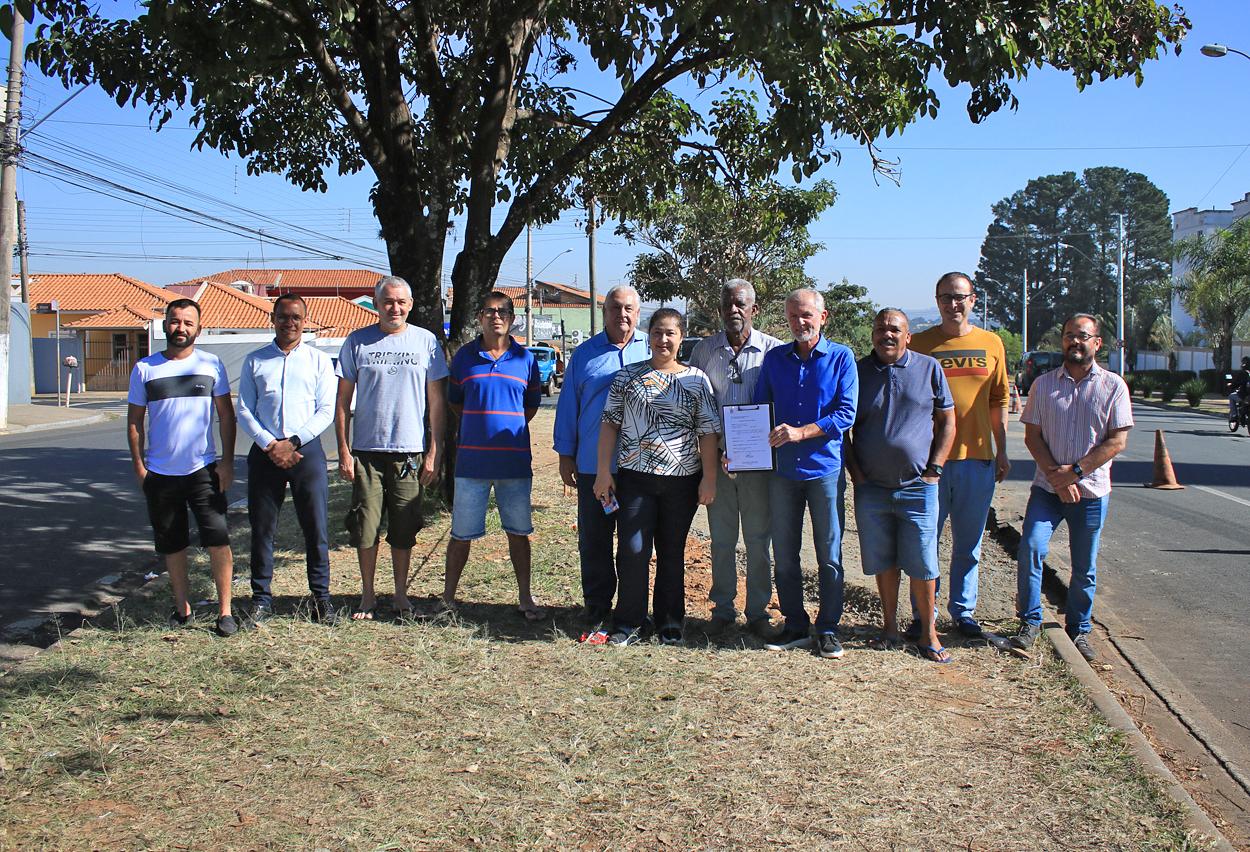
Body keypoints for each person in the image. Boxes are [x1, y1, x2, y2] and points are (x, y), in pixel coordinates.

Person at [594, 308, 720, 646]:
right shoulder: (627, 377)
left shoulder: (696, 380)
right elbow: (609, 424)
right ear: (648, 337)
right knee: (633, 550)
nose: (663, 340)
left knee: (671, 551)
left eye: (670, 333)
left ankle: (670, 623)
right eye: (657, 333)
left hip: (682, 481)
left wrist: (709, 478)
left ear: (681, 337)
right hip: (635, 478)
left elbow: (708, 432)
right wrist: (603, 471)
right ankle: (628, 622)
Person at [1011, 314, 1132, 662]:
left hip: (1091, 493)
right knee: (1030, 548)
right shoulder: (1043, 385)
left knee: (1084, 567)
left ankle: (1079, 630)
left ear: (1097, 343)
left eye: (1082, 336)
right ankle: (1030, 622)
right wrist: (1057, 477)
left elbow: (1117, 441)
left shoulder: (1113, 387)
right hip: (1047, 491)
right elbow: (1032, 436)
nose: (1074, 342)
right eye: (1068, 336)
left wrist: (1075, 473)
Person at [751, 288, 858, 658]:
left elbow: (846, 413)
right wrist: (740, 449)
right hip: (783, 472)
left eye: (807, 315)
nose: (800, 322)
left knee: (829, 553)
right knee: (785, 554)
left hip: (824, 470)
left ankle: (828, 629)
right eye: (794, 316)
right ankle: (795, 624)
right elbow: (759, 409)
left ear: (822, 317)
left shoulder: (842, 357)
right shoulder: (775, 359)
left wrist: (801, 432)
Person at [844, 309, 956, 662]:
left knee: (923, 562)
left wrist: (935, 469)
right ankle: (890, 628)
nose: (887, 334)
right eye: (880, 329)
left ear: (908, 336)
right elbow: (843, 427)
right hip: (872, 488)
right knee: (883, 561)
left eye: (895, 329)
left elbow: (947, 420)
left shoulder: (929, 369)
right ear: (872, 335)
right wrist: (857, 474)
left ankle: (928, 634)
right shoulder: (858, 372)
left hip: (918, 487)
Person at [335, 276, 448, 620]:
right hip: (366, 452)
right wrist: (344, 451)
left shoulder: (426, 342)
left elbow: (437, 403)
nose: (394, 308)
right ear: (376, 304)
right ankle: (367, 595)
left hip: (409, 452)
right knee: (365, 527)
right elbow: (342, 402)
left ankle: (400, 594)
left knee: (404, 527)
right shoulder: (357, 342)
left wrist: (434, 452)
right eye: (388, 301)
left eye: (401, 302)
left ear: (410, 305)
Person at [126, 298, 238, 637]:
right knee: (172, 545)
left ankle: (225, 611)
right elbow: (134, 422)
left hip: (203, 470)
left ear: (198, 329)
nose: (181, 328)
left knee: (218, 540)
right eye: (175, 321)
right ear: (165, 325)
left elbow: (226, 416)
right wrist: (140, 468)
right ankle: (182, 608)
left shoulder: (211, 364)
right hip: (161, 475)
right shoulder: (145, 368)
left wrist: (227, 462)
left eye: (188, 323)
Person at [908, 271, 1010, 639]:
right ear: (937, 302)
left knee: (969, 544)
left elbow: (999, 399)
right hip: (930, 463)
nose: (953, 304)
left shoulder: (991, 343)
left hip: (977, 460)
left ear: (973, 300)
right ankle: (924, 614)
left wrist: (1001, 450)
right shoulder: (920, 344)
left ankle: (963, 612)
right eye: (946, 297)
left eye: (960, 297)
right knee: (925, 544)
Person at [236, 293, 338, 625]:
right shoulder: (255, 361)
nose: (289, 323)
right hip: (265, 453)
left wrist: (293, 442)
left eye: (296, 317)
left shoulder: (318, 361)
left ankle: (321, 599)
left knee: (316, 527)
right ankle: (261, 600)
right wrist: (271, 444)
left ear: (305, 321)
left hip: (305, 451)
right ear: (273, 319)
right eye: (282, 316)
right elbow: (245, 409)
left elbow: (326, 410)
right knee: (262, 529)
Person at [688, 279, 783, 637]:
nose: (733, 310)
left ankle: (757, 612)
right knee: (722, 540)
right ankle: (723, 610)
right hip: (718, 461)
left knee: (758, 540)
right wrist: (715, 453)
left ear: (754, 309)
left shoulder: (774, 351)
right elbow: (696, 405)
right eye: (727, 304)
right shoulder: (704, 351)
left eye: (740, 304)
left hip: (759, 465)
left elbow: (780, 406)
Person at [443, 292, 546, 619]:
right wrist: (479, 424)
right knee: (460, 535)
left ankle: (525, 597)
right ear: (480, 317)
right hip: (471, 464)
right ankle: (448, 599)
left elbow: (530, 406)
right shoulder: (464, 357)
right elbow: (455, 401)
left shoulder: (525, 359)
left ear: (512, 319)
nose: (496, 316)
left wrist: (505, 423)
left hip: (514, 464)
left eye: (503, 311)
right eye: (489, 311)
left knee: (519, 533)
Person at [553, 285, 650, 626]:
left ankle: (631, 609)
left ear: (638, 313)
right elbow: (568, 406)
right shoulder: (584, 355)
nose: (622, 314)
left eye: (628, 308)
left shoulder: (652, 348)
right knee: (594, 539)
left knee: (634, 543)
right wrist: (566, 454)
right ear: (604, 311)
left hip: (640, 465)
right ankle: (596, 605)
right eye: (615, 308)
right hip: (594, 465)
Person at [1229, 356, 1250, 424]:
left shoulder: (1243, 373)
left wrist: (1231, 386)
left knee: (1231, 396)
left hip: (1244, 396)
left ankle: (1234, 415)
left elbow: (1237, 383)